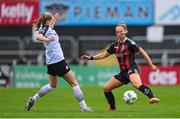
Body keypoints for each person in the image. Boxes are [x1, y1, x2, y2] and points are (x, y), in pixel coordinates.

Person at [80, 22, 160, 111]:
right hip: (123, 72)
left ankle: (152, 97)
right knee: (106, 88)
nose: (119, 33)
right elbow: (104, 55)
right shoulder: (115, 45)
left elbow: (142, 52)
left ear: (125, 31)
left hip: (131, 69)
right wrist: (91, 58)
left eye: (121, 31)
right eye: (117, 32)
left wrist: (151, 64)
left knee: (136, 84)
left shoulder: (130, 43)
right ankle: (112, 108)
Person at [25, 12, 93, 112]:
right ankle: (84, 107)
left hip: (51, 62)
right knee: (74, 83)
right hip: (58, 61)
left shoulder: (48, 27)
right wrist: (47, 39)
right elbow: (38, 37)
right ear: (48, 21)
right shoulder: (45, 29)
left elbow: (50, 25)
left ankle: (34, 98)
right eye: (52, 19)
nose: (54, 21)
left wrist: (55, 17)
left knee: (52, 85)